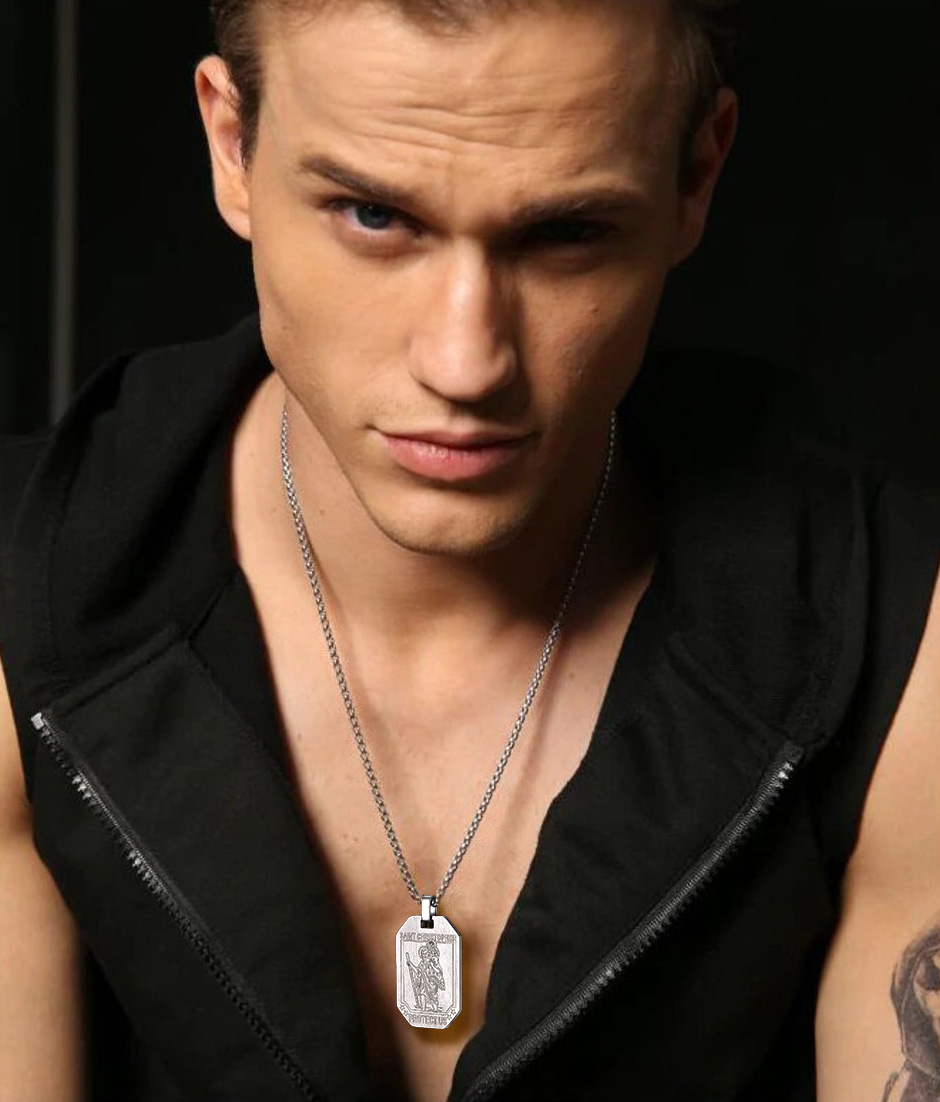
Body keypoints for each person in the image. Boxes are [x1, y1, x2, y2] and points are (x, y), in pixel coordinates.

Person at [1, 0, 938, 1099]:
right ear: (232, 144)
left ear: (696, 175)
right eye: (374, 216)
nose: (466, 362)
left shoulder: (899, 643)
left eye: (566, 234)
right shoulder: (31, 591)